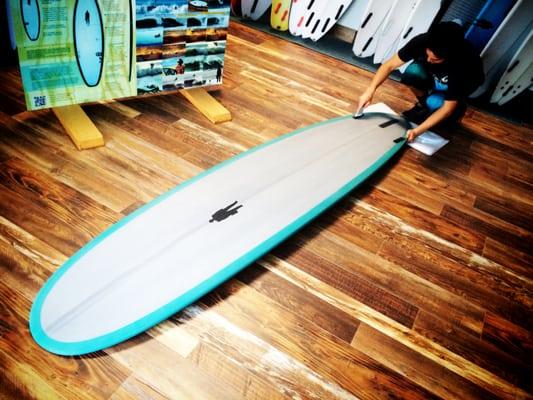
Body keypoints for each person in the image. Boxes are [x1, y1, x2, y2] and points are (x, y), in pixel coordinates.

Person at [356, 22, 484, 142]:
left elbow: (447, 108)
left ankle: (457, 110)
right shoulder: (423, 40)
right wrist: (370, 90)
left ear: (447, 56)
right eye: (427, 55)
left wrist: (417, 131)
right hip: (436, 75)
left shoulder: (464, 65)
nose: (428, 60)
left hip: (460, 83)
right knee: (413, 72)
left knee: (436, 105)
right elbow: (389, 65)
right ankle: (423, 105)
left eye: (435, 59)